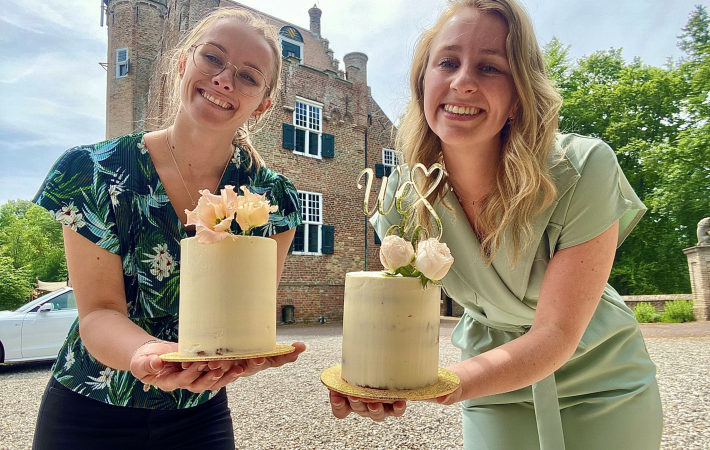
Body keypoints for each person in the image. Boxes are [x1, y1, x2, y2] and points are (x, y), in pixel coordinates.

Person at [328, 1, 663, 449]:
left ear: (519, 97)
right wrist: (375, 378)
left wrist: (443, 382)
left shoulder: (584, 168)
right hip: (492, 386)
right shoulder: (402, 197)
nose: (462, 81)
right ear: (422, 82)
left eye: (489, 68)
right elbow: (396, 310)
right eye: (447, 62)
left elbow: (557, 333)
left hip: (601, 376)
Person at [32, 8, 305, 450]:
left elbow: (246, 319)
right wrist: (146, 355)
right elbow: (99, 313)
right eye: (212, 58)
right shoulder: (94, 172)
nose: (223, 80)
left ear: (264, 104)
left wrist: (243, 356)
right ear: (182, 63)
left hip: (197, 417)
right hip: (88, 407)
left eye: (249, 77)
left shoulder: (274, 200)